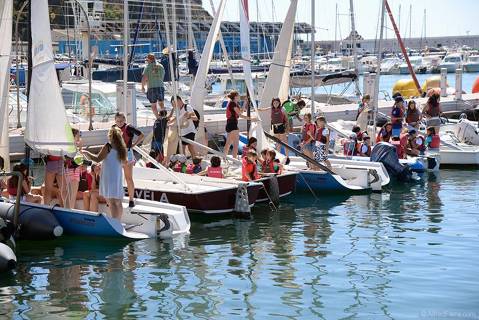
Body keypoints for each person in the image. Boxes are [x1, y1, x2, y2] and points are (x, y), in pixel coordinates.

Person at [81, 128, 127, 220]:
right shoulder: (122, 148)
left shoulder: (108, 146)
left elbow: (97, 159)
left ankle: (115, 222)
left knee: (111, 202)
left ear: (110, 136)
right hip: (117, 177)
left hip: (108, 177)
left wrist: (86, 152)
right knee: (118, 202)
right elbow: (124, 162)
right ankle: (118, 222)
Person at [113, 112, 144, 208]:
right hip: (116, 153)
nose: (120, 123)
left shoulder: (129, 127)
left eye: (121, 121)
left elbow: (141, 135)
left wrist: (134, 144)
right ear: (115, 121)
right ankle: (114, 198)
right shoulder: (113, 128)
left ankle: (131, 200)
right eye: (118, 121)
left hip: (127, 153)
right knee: (116, 178)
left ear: (125, 120)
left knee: (128, 178)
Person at [224, 90, 256, 158]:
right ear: (235, 97)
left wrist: (245, 102)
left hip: (230, 124)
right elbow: (240, 115)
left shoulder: (233, 103)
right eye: (238, 95)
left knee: (228, 143)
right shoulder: (233, 104)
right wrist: (252, 119)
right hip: (233, 124)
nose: (239, 96)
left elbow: (241, 111)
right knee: (235, 144)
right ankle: (234, 160)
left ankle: (224, 158)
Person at [62, 128, 83, 209]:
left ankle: (69, 209)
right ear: (73, 136)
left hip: (72, 171)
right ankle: (69, 210)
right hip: (72, 172)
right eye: (78, 135)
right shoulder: (72, 147)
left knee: (71, 194)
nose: (79, 137)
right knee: (71, 194)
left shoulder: (70, 146)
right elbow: (79, 160)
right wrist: (80, 148)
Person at [141, 53, 166, 119]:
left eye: (147, 60)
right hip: (160, 86)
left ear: (149, 60)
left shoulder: (148, 67)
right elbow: (162, 76)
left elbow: (144, 78)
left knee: (153, 105)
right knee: (161, 103)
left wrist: (143, 87)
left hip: (151, 88)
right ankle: (164, 117)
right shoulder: (161, 66)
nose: (147, 61)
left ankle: (158, 118)